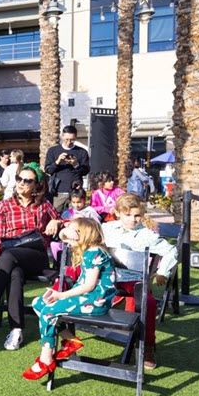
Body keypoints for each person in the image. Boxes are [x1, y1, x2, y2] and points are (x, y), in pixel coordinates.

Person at [0, 163, 62, 351]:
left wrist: (55, 220)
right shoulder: (5, 205)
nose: (22, 183)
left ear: (36, 185)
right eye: (19, 179)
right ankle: (16, 330)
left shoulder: (43, 204)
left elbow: (63, 220)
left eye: (28, 181)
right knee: (14, 274)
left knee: (7, 255)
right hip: (11, 258)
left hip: (35, 256)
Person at [24, 218, 116, 380]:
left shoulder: (95, 253)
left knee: (48, 312)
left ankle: (46, 358)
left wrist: (61, 295)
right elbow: (62, 235)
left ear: (84, 235)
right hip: (84, 298)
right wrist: (66, 232)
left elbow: (89, 286)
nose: (67, 240)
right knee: (38, 303)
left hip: (95, 302)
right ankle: (70, 340)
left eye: (73, 235)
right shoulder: (88, 250)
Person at [95, 192, 177, 369]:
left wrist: (162, 271)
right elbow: (87, 237)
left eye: (137, 215)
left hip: (132, 278)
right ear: (117, 213)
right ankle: (67, 330)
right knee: (73, 276)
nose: (133, 219)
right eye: (128, 215)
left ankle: (147, 346)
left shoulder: (147, 235)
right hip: (106, 275)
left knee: (148, 302)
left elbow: (171, 251)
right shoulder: (106, 228)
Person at [44, 125, 90, 212]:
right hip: (58, 192)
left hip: (75, 193)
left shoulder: (82, 152)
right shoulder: (53, 151)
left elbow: (85, 171)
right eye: (66, 139)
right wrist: (58, 161)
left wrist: (76, 164)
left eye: (72, 140)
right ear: (62, 136)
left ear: (76, 137)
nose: (69, 142)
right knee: (55, 217)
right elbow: (48, 170)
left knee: (75, 218)